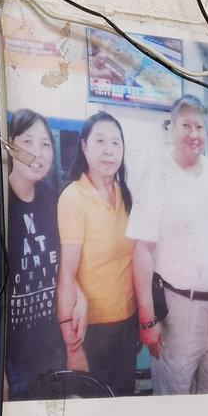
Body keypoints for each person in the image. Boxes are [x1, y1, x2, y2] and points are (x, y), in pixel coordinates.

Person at [127, 95, 208, 395]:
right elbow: (142, 249)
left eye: (199, 126)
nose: (193, 134)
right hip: (179, 314)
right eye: (186, 125)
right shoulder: (157, 175)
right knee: (175, 404)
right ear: (172, 129)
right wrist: (147, 321)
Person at [56, 112, 137, 396]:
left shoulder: (125, 194)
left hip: (127, 324)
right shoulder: (74, 198)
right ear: (84, 146)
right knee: (96, 412)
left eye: (116, 142)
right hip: (92, 331)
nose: (108, 149)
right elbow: (66, 276)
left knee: (124, 402)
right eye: (100, 140)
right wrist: (73, 348)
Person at [3, 109, 66, 400]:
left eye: (45, 144)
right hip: (10, 354)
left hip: (50, 346)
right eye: (27, 142)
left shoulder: (55, 200)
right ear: (10, 144)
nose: (37, 153)